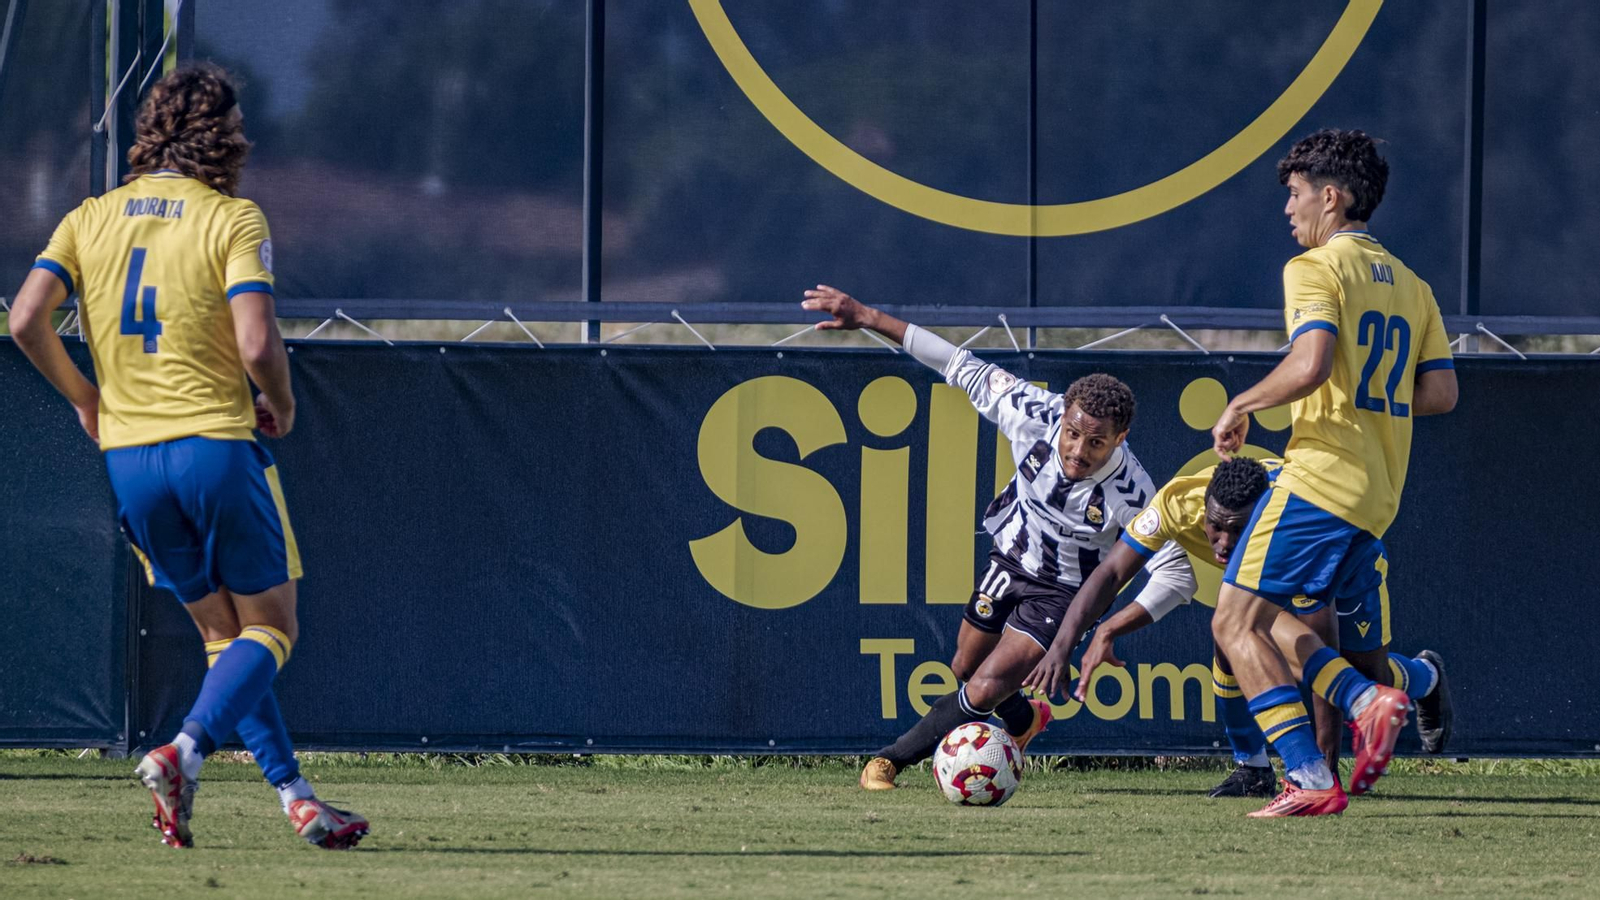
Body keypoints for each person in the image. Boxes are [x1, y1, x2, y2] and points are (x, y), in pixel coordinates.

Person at [8, 64, 367, 849]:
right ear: (226, 137)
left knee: (224, 636)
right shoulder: (230, 219)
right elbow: (256, 341)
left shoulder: (88, 218)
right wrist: (286, 400)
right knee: (272, 628)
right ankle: (183, 750)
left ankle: (295, 796)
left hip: (130, 461)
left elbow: (27, 319)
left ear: (148, 134)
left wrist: (85, 398)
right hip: (214, 445)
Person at [799, 286, 1196, 790]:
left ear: (1120, 438)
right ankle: (1024, 721)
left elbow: (1178, 573)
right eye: (1073, 433)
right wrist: (868, 316)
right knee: (966, 665)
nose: (1077, 450)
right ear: (1064, 415)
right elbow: (957, 364)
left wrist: (1110, 627)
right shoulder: (1033, 411)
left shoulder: (1133, 491)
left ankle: (891, 760)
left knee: (983, 688)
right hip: (1010, 558)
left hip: (1066, 594)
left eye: (1096, 442)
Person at [1206, 129, 1459, 816]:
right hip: (1377, 494)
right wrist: (1369, 391)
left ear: (1331, 196)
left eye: (1294, 195)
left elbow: (1310, 362)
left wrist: (1244, 401)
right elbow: (1441, 395)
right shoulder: (1414, 286)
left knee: (1232, 624)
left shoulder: (1315, 268)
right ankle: (1364, 696)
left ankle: (1311, 776)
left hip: (1320, 477)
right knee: (1283, 622)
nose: (1288, 210)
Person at [1022, 457, 1453, 800]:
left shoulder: (1293, 533)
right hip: (1281, 565)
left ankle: (1426, 676)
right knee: (1230, 635)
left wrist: (1324, 767)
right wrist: (1064, 642)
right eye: (1215, 526)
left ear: (1264, 521)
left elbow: (1318, 648)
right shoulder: (1180, 502)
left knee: (1363, 672)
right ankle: (1254, 768)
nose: (1222, 542)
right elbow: (1112, 573)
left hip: (1350, 561)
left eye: (1237, 529)